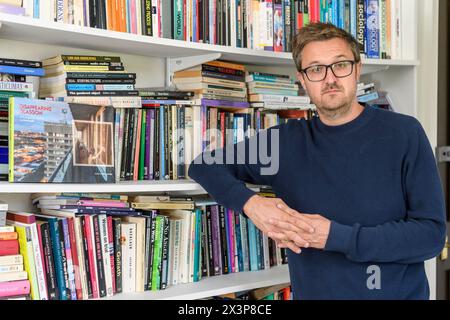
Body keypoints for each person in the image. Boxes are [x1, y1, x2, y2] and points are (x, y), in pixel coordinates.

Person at [188, 22, 447, 300]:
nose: (330, 78)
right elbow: (204, 164)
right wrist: (252, 205)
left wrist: (335, 237)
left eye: (340, 65)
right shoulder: (284, 142)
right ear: (302, 79)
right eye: (316, 69)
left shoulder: (404, 133)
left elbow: (430, 237)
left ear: (357, 69)